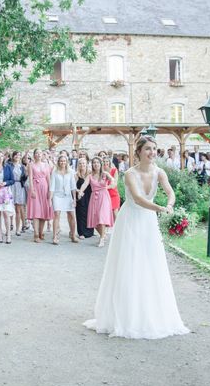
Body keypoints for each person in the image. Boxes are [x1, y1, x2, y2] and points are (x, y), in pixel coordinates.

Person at [83, 136, 189, 339]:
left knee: (151, 263)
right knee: (130, 263)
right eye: (148, 148)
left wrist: (170, 204)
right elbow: (139, 199)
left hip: (148, 222)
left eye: (154, 149)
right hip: (131, 220)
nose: (152, 152)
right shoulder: (130, 174)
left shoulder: (160, 172)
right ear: (139, 151)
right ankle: (126, 315)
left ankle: (151, 313)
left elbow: (170, 192)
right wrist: (159, 208)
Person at [77, 156, 114, 247]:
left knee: (101, 217)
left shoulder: (105, 174)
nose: (96, 164)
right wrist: (80, 192)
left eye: (97, 162)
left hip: (104, 196)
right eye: (94, 163)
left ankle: (101, 239)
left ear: (100, 164)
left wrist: (108, 186)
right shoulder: (90, 176)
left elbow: (113, 181)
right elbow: (85, 184)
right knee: (95, 219)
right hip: (94, 197)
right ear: (92, 165)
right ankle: (103, 234)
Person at [49, 154, 78, 244]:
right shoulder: (55, 172)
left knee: (72, 215)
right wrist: (49, 200)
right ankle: (55, 237)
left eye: (64, 161)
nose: (63, 162)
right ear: (58, 162)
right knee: (57, 214)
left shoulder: (70, 172)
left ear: (67, 162)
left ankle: (73, 235)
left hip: (68, 196)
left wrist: (74, 199)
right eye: (61, 161)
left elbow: (73, 186)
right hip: (57, 196)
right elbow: (52, 187)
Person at [27, 148, 54, 243]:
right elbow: (30, 178)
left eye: (40, 153)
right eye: (37, 153)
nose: (38, 155)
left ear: (42, 155)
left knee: (44, 211)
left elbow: (48, 178)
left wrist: (50, 190)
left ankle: (41, 232)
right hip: (35, 187)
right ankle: (36, 234)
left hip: (44, 188)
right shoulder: (31, 165)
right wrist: (32, 190)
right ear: (34, 155)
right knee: (36, 211)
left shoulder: (46, 165)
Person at [75, 158, 94, 240]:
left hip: (90, 195)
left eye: (83, 163)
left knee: (89, 213)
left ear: (86, 164)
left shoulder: (90, 173)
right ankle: (81, 232)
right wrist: (79, 191)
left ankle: (90, 231)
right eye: (80, 163)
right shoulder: (76, 175)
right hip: (80, 196)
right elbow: (73, 187)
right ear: (78, 165)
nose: (82, 165)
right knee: (80, 214)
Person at [102, 157, 121, 221]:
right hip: (104, 195)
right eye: (104, 161)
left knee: (115, 213)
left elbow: (114, 184)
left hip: (113, 194)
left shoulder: (114, 170)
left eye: (107, 161)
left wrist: (105, 187)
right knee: (106, 214)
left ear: (109, 162)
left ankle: (118, 229)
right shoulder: (100, 171)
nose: (105, 163)